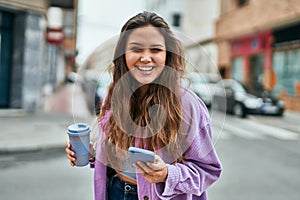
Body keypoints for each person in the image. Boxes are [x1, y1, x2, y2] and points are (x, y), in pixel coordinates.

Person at [66, 11, 222, 200]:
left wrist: (167, 174)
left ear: (168, 55)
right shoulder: (114, 95)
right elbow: (117, 152)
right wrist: (92, 153)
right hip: (114, 190)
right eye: (136, 49)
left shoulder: (187, 104)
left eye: (155, 50)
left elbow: (208, 170)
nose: (146, 58)